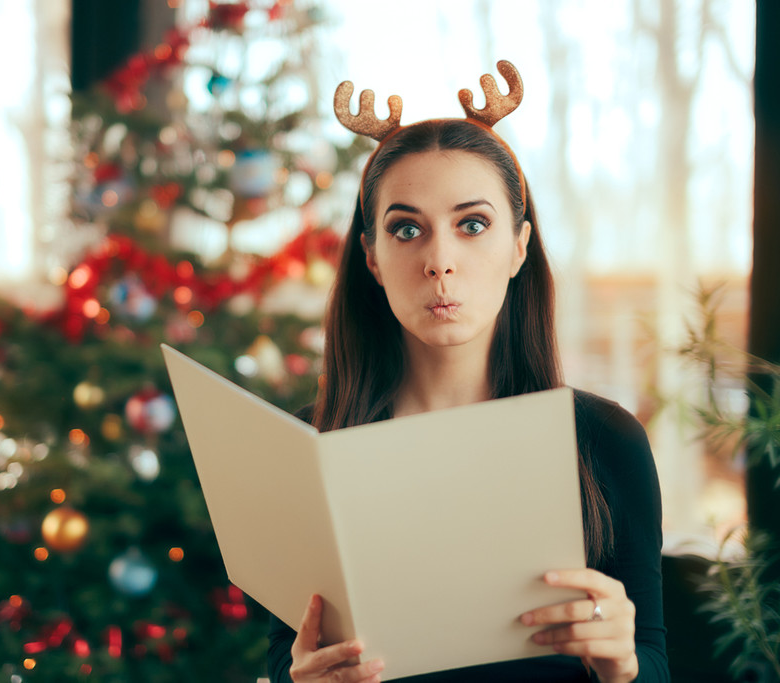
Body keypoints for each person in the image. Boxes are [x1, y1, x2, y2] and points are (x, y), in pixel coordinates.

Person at [265, 63, 668, 682]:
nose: (440, 262)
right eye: (407, 229)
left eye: (472, 224)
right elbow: (282, 664)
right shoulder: (306, 453)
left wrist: (623, 667)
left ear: (518, 245)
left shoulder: (605, 441)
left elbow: (654, 665)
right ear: (372, 256)